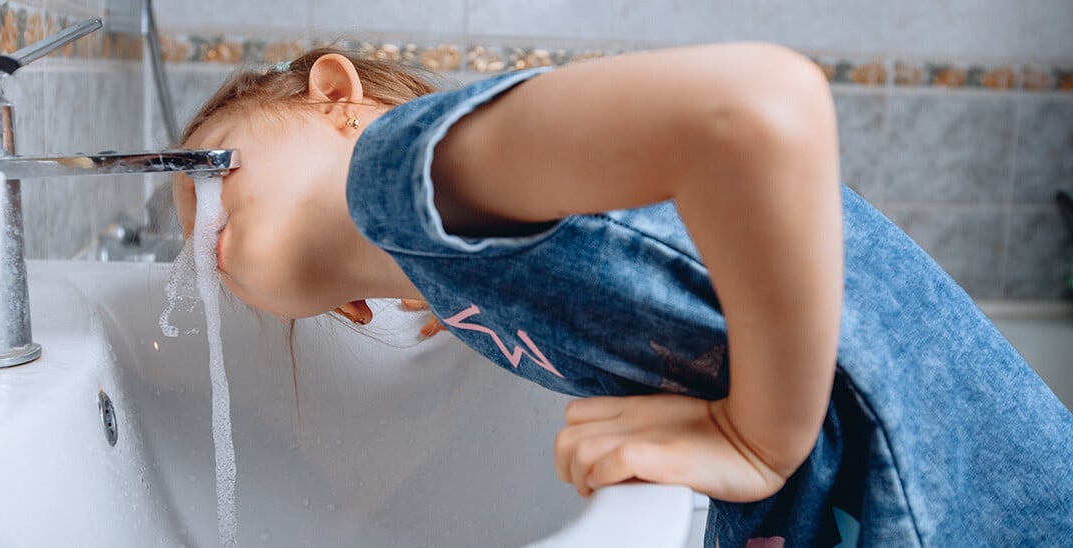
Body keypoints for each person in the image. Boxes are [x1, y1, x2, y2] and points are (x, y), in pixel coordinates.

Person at [173, 44, 1073, 546]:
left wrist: (758, 434)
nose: (196, 218)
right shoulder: (469, 304)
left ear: (338, 99)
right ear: (347, 312)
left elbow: (761, 104)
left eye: (208, 167)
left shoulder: (405, 167)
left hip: (961, 495)